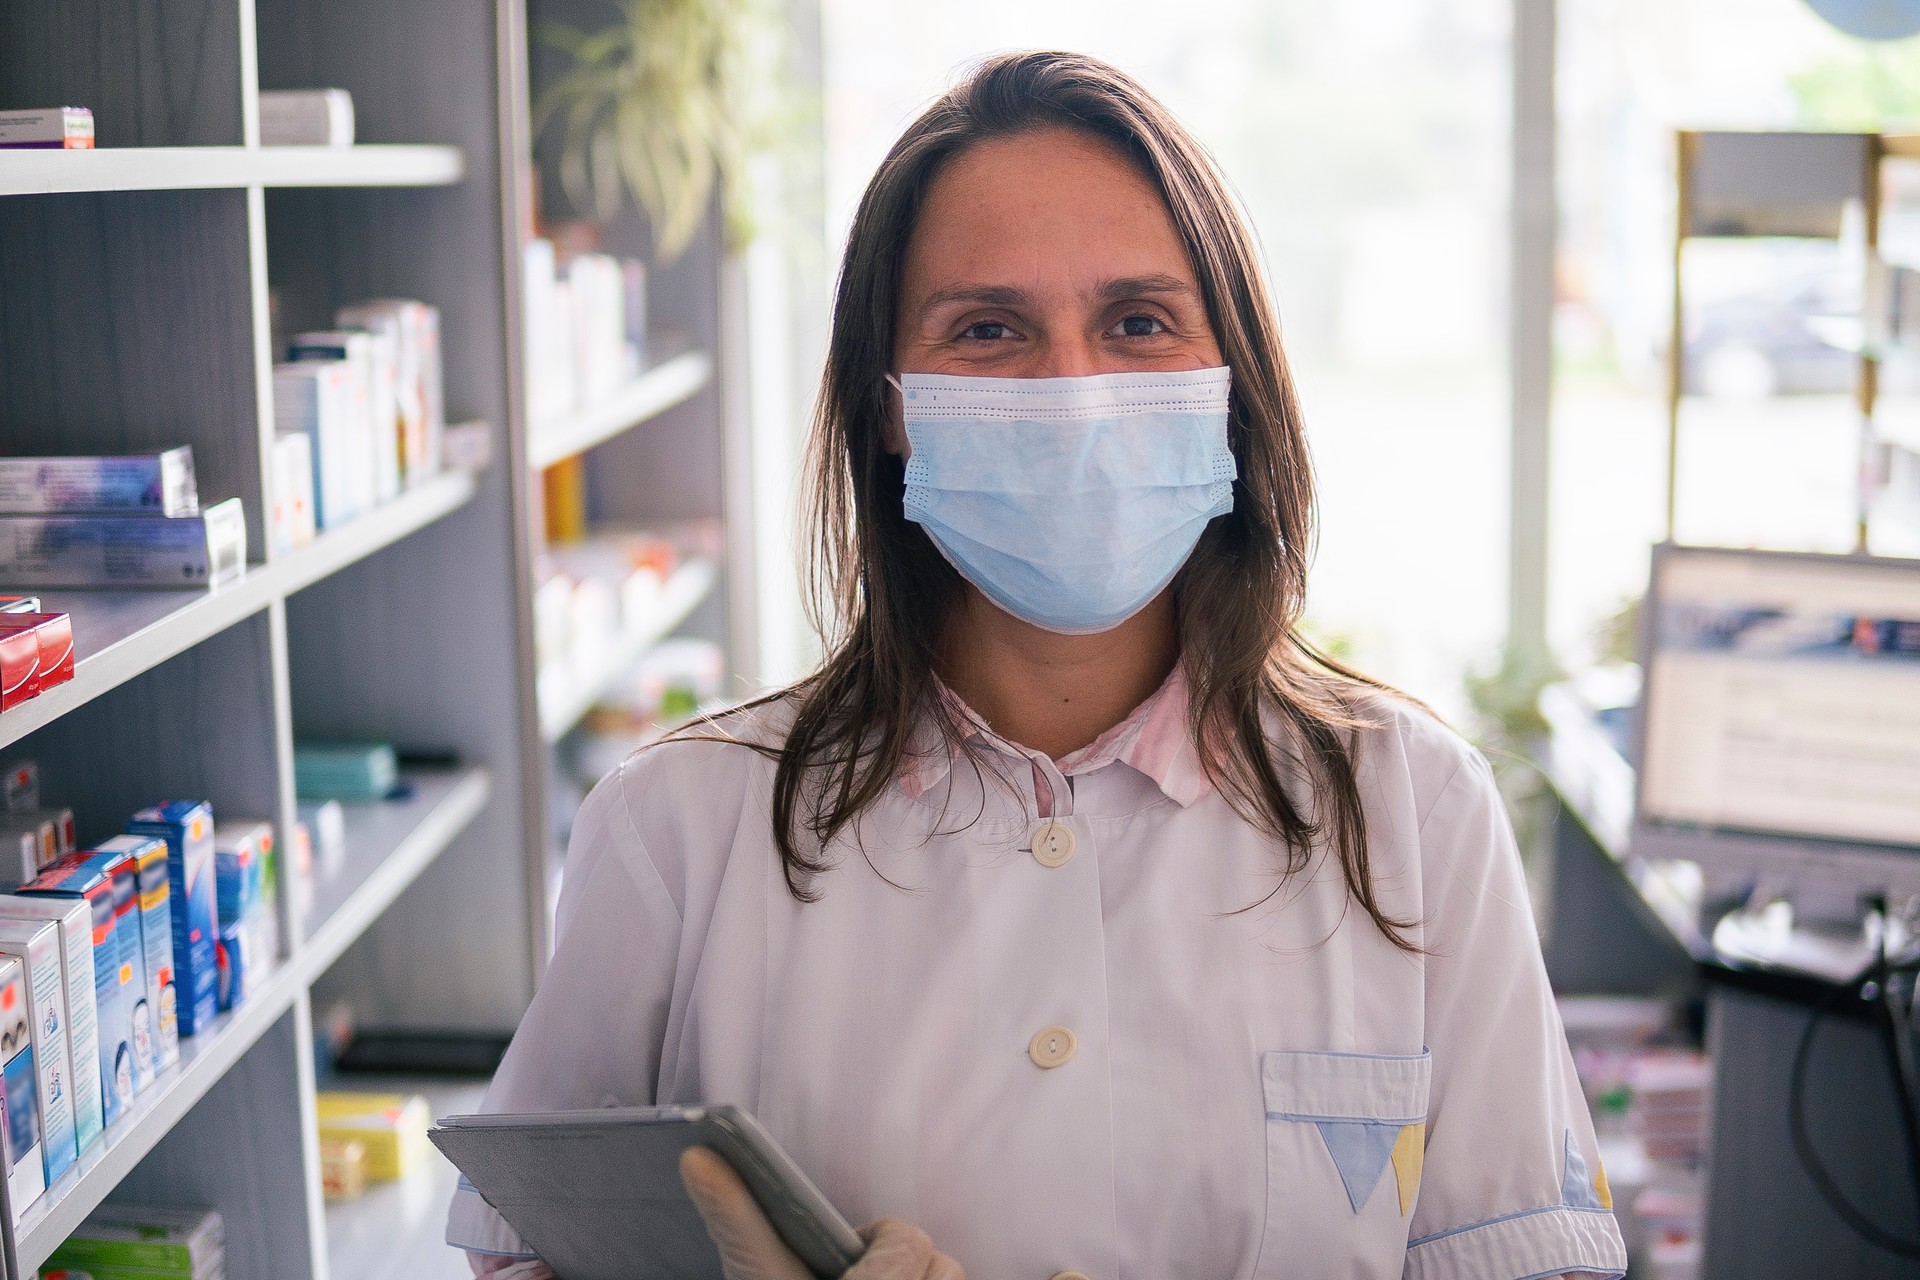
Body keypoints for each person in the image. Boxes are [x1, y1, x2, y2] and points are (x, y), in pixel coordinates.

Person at [450, 50, 1628, 1280]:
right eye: (990, 329)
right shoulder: (677, 826)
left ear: (1229, 382)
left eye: (1137, 321)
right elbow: (528, 1252)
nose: (1073, 389)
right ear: (893, 405)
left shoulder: (1414, 810)